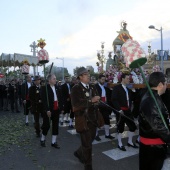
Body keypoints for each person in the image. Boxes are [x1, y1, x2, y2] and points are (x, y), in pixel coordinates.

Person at [70, 67, 101, 170]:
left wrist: (97, 101)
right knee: (87, 145)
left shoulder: (92, 86)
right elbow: (76, 105)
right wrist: (91, 101)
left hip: (93, 119)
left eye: (88, 74)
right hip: (83, 120)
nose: (88, 75)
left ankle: (79, 153)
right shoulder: (76, 88)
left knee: (89, 141)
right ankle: (88, 167)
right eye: (85, 74)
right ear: (80, 77)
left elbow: (96, 99)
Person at [139, 72, 170, 170]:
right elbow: (157, 126)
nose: (167, 85)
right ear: (160, 85)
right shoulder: (150, 101)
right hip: (152, 148)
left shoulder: (154, 97)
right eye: (166, 83)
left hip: (155, 147)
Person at [111, 73, 138, 151]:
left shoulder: (128, 89)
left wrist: (134, 91)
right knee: (120, 128)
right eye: (127, 78)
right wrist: (119, 109)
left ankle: (130, 142)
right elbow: (114, 99)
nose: (129, 80)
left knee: (132, 126)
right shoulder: (117, 88)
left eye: (129, 78)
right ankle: (120, 143)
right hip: (121, 111)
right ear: (122, 79)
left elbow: (134, 99)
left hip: (128, 111)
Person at [40, 74, 64, 148]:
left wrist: (62, 108)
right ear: (49, 80)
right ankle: (42, 139)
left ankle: (53, 142)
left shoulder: (57, 87)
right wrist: (47, 110)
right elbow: (44, 101)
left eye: (55, 78)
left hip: (56, 110)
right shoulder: (45, 89)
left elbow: (60, 98)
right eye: (54, 79)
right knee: (46, 125)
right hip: (49, 111)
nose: (55, 80)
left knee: (55, 126)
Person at [95, 74, 114, 141]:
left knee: (107, 120)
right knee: (97, 120)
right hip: (98, 106)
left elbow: (108, 96)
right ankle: (96, 135)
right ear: (99, 79)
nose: (103, 81)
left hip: (105, 105)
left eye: (104, 80)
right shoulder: (95, 87)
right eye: (102, 79)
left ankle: (107, 134)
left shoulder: (106, 88)